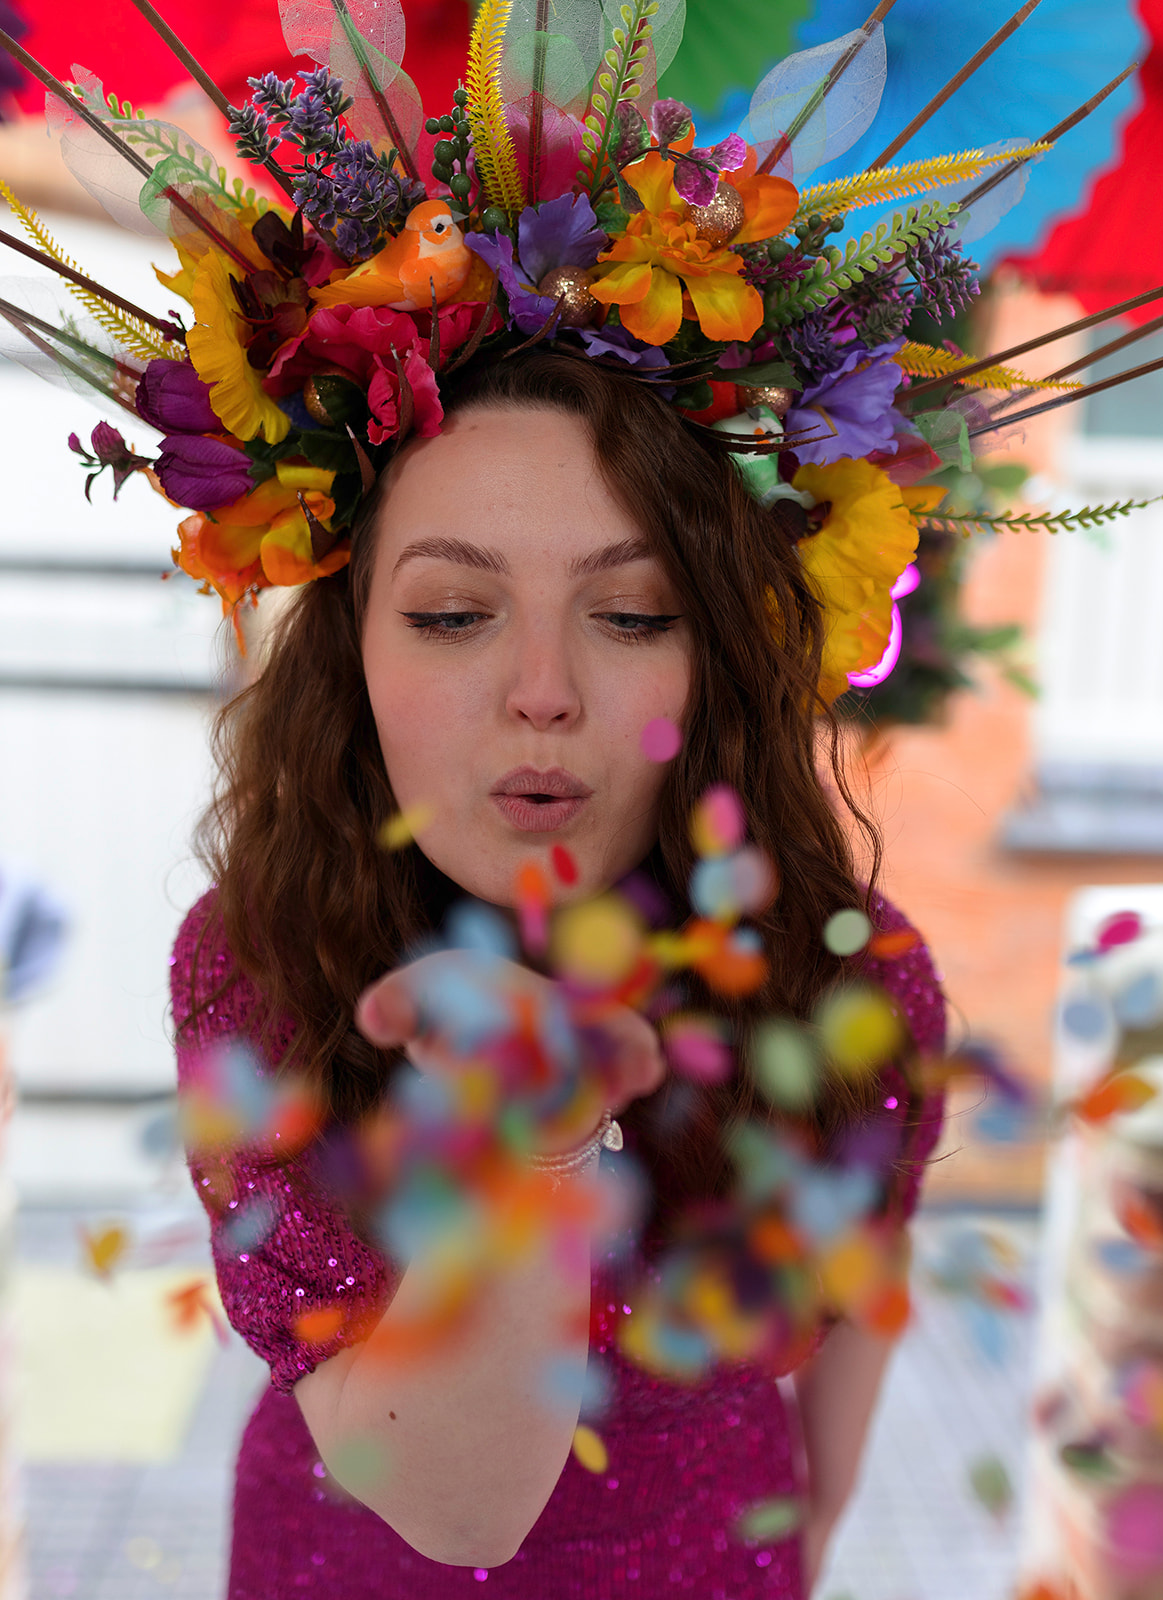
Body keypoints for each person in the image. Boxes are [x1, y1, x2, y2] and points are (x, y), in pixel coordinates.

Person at [170, 348, 946, 1599]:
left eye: (634, 613)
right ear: (351, 647)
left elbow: (866, 1284)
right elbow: (452, 1506)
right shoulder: (259, 959)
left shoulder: (854, 970)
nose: (543, 693)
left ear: (723, 660)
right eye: (449, 614)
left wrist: (809, 1524)